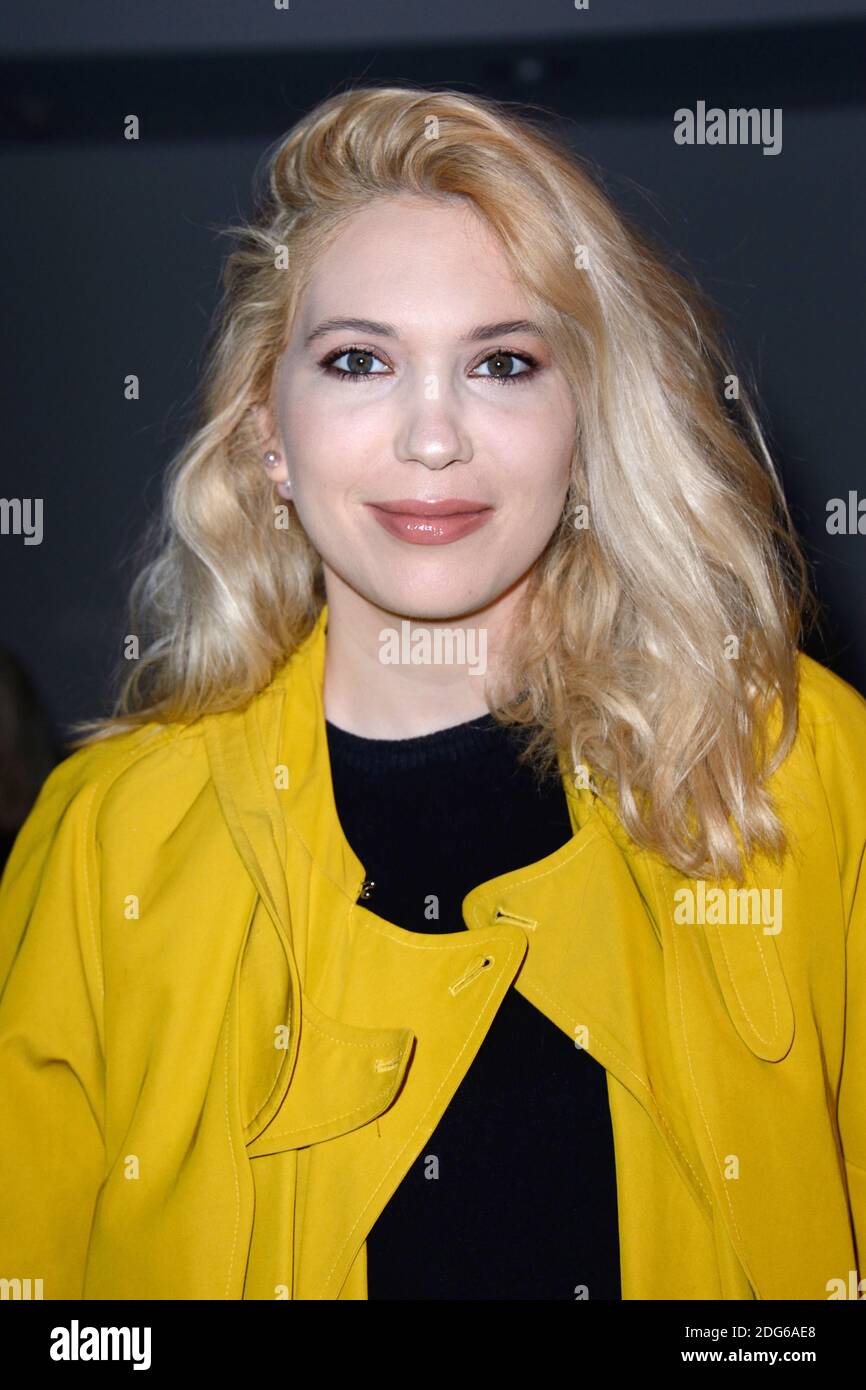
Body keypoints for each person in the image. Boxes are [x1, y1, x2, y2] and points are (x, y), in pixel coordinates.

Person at [0, 84, 864, 1303]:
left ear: (585, 424)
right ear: (267, 434)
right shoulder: (106, 843)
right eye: (358, 361)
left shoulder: (797, 766)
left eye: (504, 363)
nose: (431, 436)